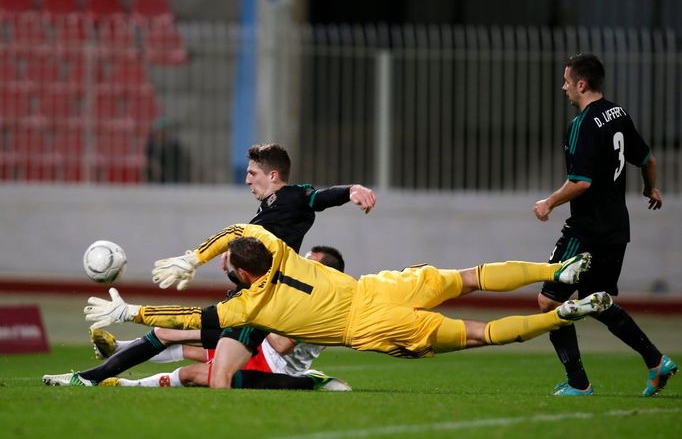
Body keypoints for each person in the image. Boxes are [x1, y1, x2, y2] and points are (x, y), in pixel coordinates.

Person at [77, 223, 612, 390]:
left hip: (370, 323)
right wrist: (195, 256)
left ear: (243, 275)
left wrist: (132, 312)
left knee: (479, 333)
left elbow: (190, 320)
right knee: (469, 277)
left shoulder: (249, 308)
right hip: (379, 287)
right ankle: (555, 271)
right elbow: (239, 229)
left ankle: (563, 313)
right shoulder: (280, 250)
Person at [43, 143, 376, 387]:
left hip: (262, 304)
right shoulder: (264, 211)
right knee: (197, 360)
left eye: (252, 173)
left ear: (273, 175)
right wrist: (234, 263)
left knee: (210, 369)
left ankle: (308, 383)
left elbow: (319, 198)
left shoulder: (293, 197)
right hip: (247, 298)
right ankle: (88, 378)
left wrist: (351, 191)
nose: (247, 179)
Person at [532, 53, 677, 396]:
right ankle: (656, 361)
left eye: (567, 81)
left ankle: (578, 383)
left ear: (581, 84)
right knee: (598, 300)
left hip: (585, 229)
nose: (564, 87)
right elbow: (648, 159)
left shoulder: (580, 125)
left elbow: (581, 182)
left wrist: (548, 203)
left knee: (548, 304)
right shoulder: (619, 114)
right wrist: (649, 188)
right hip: (616, 228)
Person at [95, 246, 351, 391]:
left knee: (188, 374)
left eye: (309, 263)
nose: (301, 266)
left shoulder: (317, 304)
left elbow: (282, 345)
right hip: (257, 348)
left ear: (325, 271)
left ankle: (128, 384)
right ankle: (118, 350)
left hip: (273, 366)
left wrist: (260, 309)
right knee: (172, 334)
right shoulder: (303, 292)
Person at [145, 117, 191, 183]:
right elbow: (149, 160)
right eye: (159, 132)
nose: (161, 134)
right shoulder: (151, 145)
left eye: (164, 131)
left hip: (173, 180)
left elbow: (182, 165)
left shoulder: (175, 146)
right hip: (156, 181)